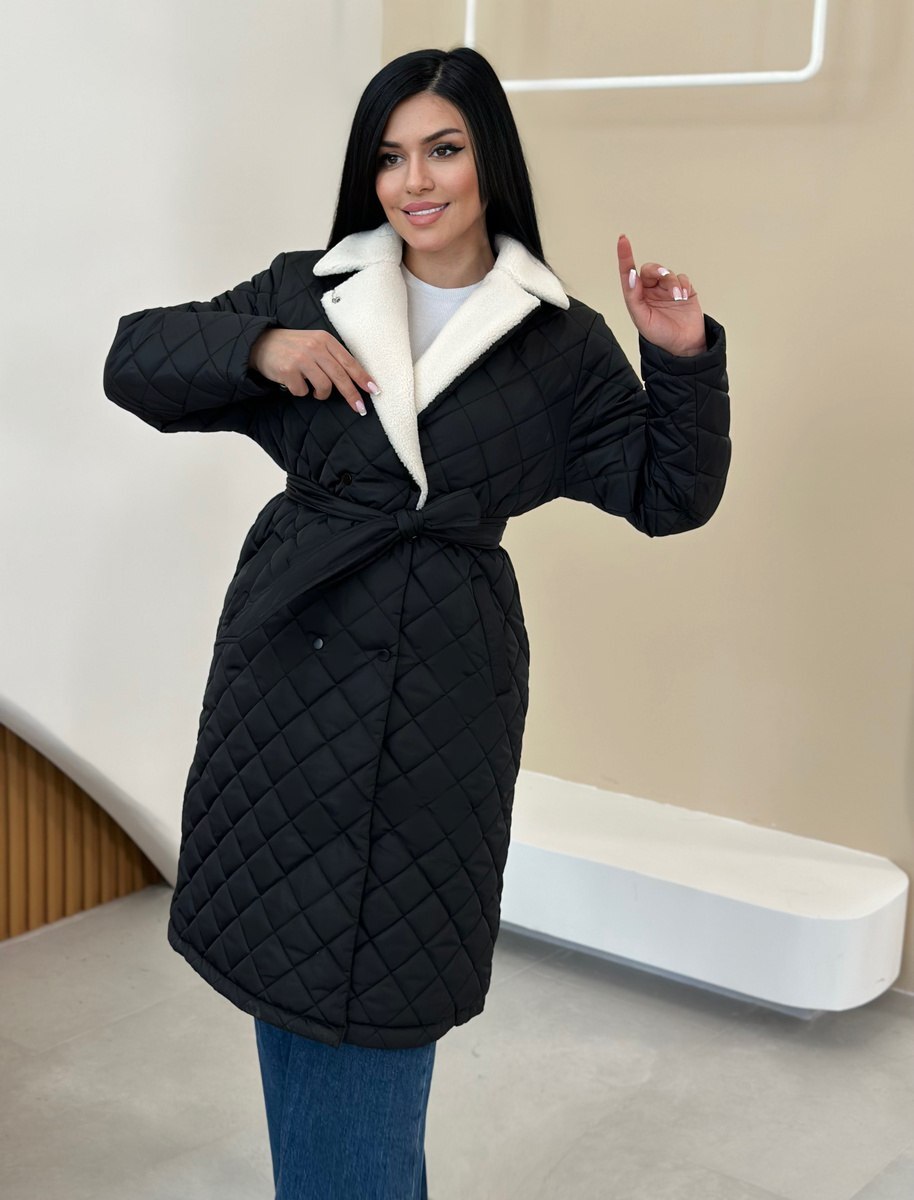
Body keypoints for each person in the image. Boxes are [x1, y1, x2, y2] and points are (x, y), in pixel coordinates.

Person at [102, 44, 730, 1200]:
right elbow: (136, 360)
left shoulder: (556, 339)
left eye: (442, 148)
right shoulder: (309, 287)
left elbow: (667, 495)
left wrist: (678, 357)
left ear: (489, 158)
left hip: (445, 675)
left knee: (382, 979)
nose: (414, 181)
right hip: (288, 666)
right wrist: (258, 346)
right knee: (297, 971)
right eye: (389, 157)